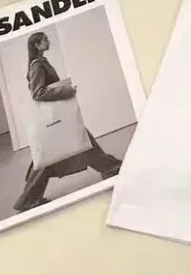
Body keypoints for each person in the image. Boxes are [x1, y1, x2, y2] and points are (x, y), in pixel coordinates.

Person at [13, 31, 122, 212]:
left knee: (79, 142)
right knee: (56, 155)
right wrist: (67, 91)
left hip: (56, 119)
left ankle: (110, 167)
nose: (48, 41)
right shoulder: (37, 66)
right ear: (37, 45)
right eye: (45, 40)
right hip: (55, 119)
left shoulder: (41, 62)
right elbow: (38, 93)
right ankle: (27, 201)